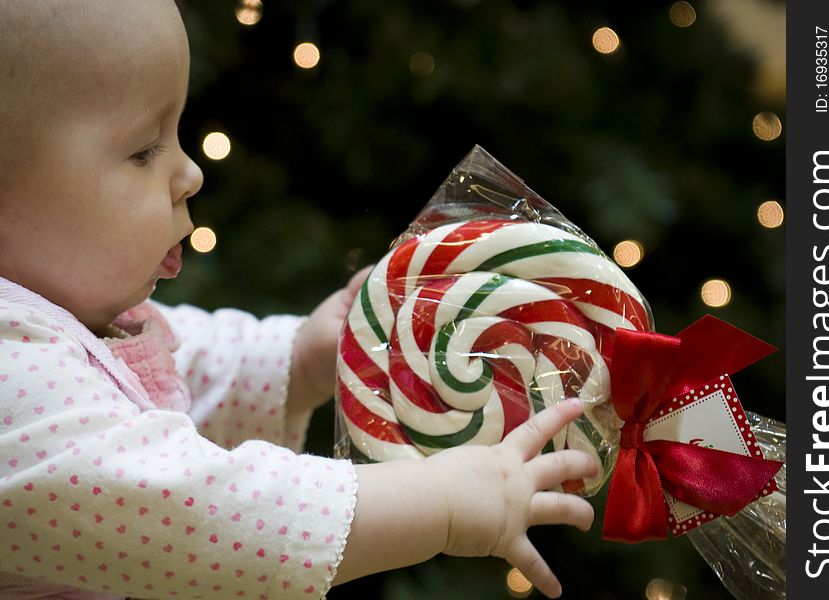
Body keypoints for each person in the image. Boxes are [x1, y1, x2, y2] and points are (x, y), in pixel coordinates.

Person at [0, 1, 597, 598]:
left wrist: (299, 359)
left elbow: (194, 366)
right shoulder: (10, 372)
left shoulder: (74, 319)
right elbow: (190, 508)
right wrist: (439, 502)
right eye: (142, 151)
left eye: (177, 135)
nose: (190, 174)